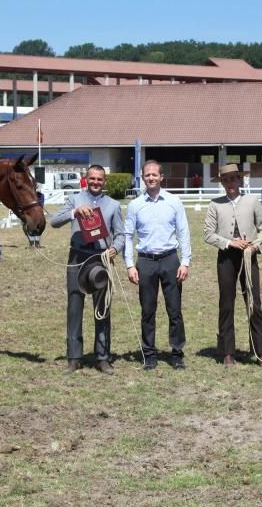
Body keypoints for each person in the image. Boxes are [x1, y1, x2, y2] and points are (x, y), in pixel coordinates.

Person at [50, 164, 125, 374]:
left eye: (99, 179)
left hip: (100, 259)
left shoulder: (113, 205)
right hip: (77, 257)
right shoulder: (74, 199)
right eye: (92, 178)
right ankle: (74, 357)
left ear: (105, 181)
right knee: (74, 308)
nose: (95, 182)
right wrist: (73, 212)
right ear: (86, 178)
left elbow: (121, 234)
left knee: (102, 310)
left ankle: (102, 357)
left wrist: (115, 249)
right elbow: (54, 221)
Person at [124, 159, 191, 371]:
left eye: (154, 174)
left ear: (162, 177)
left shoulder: (174, 201)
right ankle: (149, 354)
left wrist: (186, 261)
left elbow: (184, 232)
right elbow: (128, 236)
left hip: (170, 260)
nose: (151, 178)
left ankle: (177, 353)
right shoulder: (135, 205)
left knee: (175, 310)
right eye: (147, 175)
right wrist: (129, 265)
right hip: (145, 261)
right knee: (147, 311)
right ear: (142, 178)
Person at [203, 163, 262, 367]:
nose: (230, 183)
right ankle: (227, 352)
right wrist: (229, 242)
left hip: (249, 257)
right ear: (222, 183)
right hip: (226, 258)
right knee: (226, 303)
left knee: (253, 302)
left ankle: (261, 351)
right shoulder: (215, 204)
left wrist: (255, 246)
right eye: (226, 180)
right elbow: (207, 233)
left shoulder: (252, 201)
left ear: (240, 180)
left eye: (233, 179)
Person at [28, 185, 45, 249]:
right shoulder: (30, 195)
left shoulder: (42, 195)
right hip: (31, 214)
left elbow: (41, 205)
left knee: (38, 229)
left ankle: (37, 244)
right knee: (30, 229)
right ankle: (32, 244)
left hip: (38, 214)